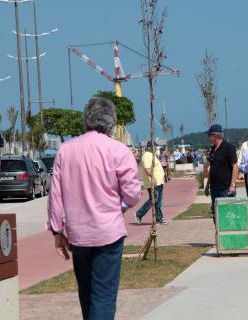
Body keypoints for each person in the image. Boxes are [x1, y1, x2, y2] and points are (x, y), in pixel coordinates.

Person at [47, 97, 142, 320]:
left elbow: (55, 195)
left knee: (87, 295)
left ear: (85, 120)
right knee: (104, 297)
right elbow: (133, 193)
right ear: (111, 123)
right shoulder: (118, 150)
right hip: (109, 232)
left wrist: (57, 231)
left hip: (78, 234)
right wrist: (119, 208)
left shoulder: (65, 150)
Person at [204, 124, 238, 222]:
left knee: (227, 215)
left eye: (209, 135)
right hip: (215, 188)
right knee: (216, 216)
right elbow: (212, 168)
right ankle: (218, 236)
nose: (208, 137)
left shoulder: (229, 147)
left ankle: (228, 236)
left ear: (214, 136)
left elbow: (235, 166)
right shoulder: (212, 149)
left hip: (226, 188)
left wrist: (233, 184)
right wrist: (207, 185)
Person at [135, 141, 168, 225]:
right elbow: (147, 168)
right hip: (152, 182)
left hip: (159, 182)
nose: (155, 148)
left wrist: (161, 165)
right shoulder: (146, 156)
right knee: (153, 200)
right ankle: (139, 214)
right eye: (154, 146)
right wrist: (153, 177)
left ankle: (159, 219)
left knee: (158, 201)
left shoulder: (152, 155)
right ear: (149, 147)